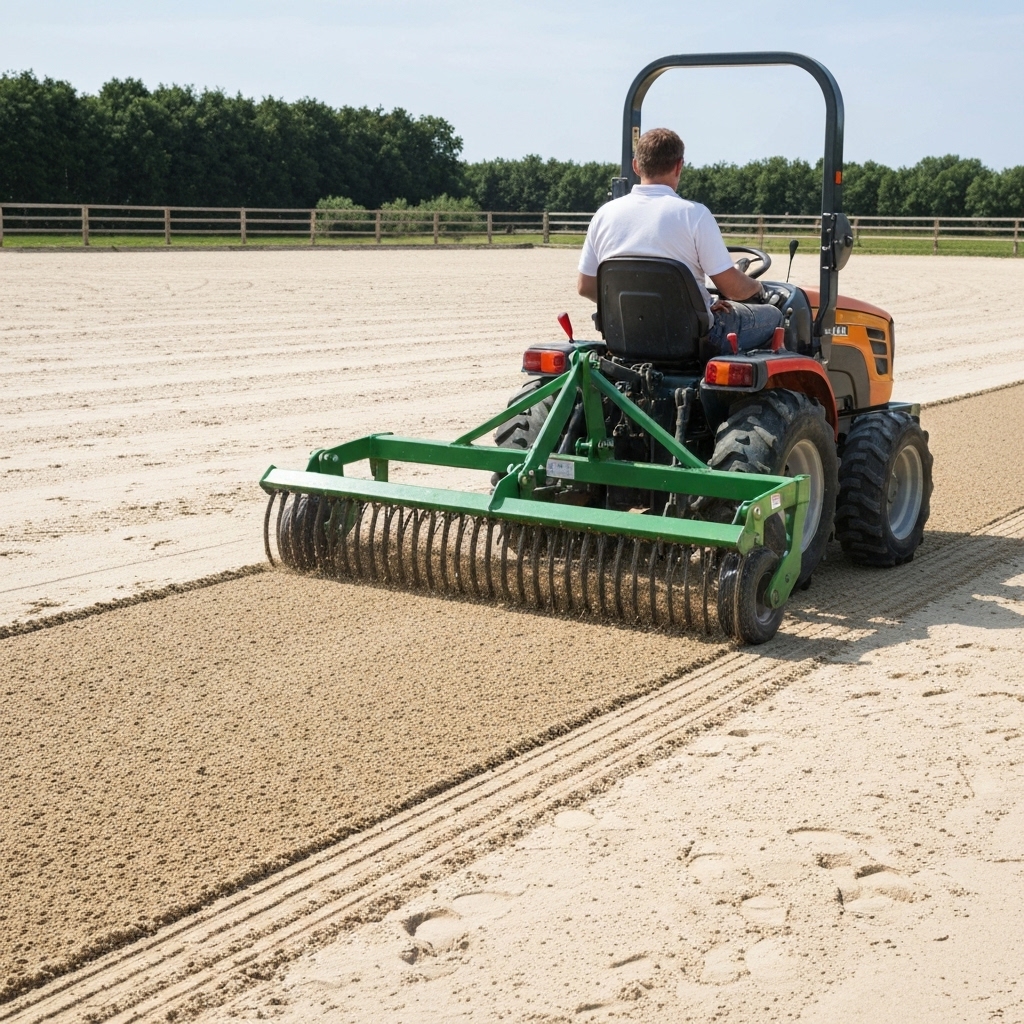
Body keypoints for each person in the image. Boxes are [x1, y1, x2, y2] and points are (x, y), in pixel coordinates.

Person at [577, 128, 782, 353]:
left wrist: (634, 308)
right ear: (679, 166)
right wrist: (759, 289)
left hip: (628, 335)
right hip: (691, 339)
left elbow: (585, 286)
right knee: (776, 316)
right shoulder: (694, 214)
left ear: (636, 166)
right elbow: (732, 288)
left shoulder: (604, 215)